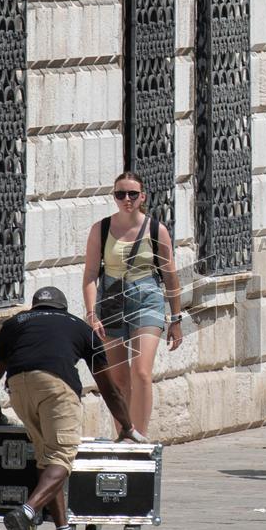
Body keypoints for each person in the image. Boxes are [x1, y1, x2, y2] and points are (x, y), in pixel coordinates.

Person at [0, 286, 129, 530]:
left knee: (47, 459)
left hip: (18, 387)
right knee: (63, 458)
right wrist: (127, 425)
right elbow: (109, 387)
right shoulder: (80, 327)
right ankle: (26, 512)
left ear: (35, 307)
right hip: (56, 387)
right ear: (62, 308)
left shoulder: (15, 323)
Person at [82, 171, 183, 441]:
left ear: (142, 197)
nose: (126, 199)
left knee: (141, 373)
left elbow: (170, 275)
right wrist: (92, 314)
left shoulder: (155, 229)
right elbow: (91, 274)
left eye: (132, 194)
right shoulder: (101, 229)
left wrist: (176, 318)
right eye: (120, 194)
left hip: (147, 298)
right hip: (111, 302)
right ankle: (125, 436)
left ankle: (141, 436)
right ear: (114, 197)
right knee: (118, 379)